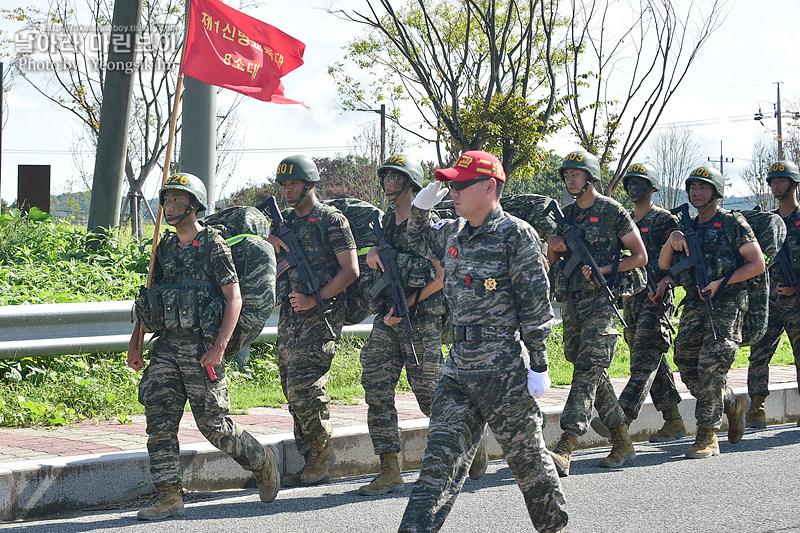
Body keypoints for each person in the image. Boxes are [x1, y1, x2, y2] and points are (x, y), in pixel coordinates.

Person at [398, 150, 568, 533]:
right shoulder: (453, 234)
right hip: (458, 369)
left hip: (502, 370)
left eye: (460, 184)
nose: (453, 191)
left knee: (528, 463)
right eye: (450, 185)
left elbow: (535, 305)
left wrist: (539, 364)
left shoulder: (516, 234)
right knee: (437, 466)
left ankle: (554, 528)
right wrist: (424, 204)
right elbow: (416, 236)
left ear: (490, 186)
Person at [127, 173, 279, 520]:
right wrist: (135, 344)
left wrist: (220, 346)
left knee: (213, 424)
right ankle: (168, 495)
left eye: (178, 201)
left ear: (194, 206)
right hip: (166, 346)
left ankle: (260, 460)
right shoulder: (162, 248)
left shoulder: (214, 245)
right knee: (159, 421)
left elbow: (233, 298)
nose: (169, 207)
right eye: (166, 200)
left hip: (200, 347)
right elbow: (148, 298)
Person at [546, 150, 647, 476]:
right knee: (592, 372)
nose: (570, 179)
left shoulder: (612, 211)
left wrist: (604, 269)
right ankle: (622, 440)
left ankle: (567, 443)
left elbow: (640, 256)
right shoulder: (566, 215)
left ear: (590, 176)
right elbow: (548, 263)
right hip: (574, 305)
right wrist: (554, 245)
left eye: (576, 174)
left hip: (603, 303)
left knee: (588, 368)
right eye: (567, 175)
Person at [659, 165, 764, 458]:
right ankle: (731, 403)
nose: (697, 191)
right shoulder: (688, 227)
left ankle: (707, 435)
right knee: (686, 364)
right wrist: (672, 239)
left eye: (703, 187)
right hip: (695, 304)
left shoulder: (733, 223)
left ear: (716, 192)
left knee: (710, 366)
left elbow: (756, 264)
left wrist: (721, 282)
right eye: (693, 187)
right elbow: (666, 266)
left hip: (728, 304)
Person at [358, 154, 448, 496]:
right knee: (376, 386)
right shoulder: (385, 223)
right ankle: (389, 468)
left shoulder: (430, 224)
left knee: (429, 395)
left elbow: (441, 277)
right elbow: (378, 258)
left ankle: (467, 444)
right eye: (386, 177)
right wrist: (372, 255)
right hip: (389, 319)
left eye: (395, 178)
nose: (388, 183)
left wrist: (406, 305)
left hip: (421, 318)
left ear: (411, 184)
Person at [267, 155, 359, 487]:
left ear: (309, 185)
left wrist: (314, 299)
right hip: (291, 313)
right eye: (284, 185)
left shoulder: (331, 220)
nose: (288, 190)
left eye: (293, 184)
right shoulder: (283, 223)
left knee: (304, 383)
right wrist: (271, 244)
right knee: (289, 385)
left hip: (324, 312)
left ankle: (322, 452)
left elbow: (350, 270)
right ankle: (309, 458)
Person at [590, 163, 686, 442]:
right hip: (632, 299)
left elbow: (679, 260)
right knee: (652, 357)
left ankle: (621, 417)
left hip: (656, 298)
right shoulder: (625, 220)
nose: (633, 187)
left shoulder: (665, 220)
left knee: (643, 359)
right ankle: (674, 421)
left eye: (640, 182)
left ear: (652, 188)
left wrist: (667, 281)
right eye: (630, 182)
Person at [746, 160, 800, 428]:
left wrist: (795, 288)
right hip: (771, 299)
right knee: (759, 351)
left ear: (794, 184)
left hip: (797, 299)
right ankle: (756, 407)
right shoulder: (768, 222)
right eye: (773, 181)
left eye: (781, 180)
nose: (776, 185)